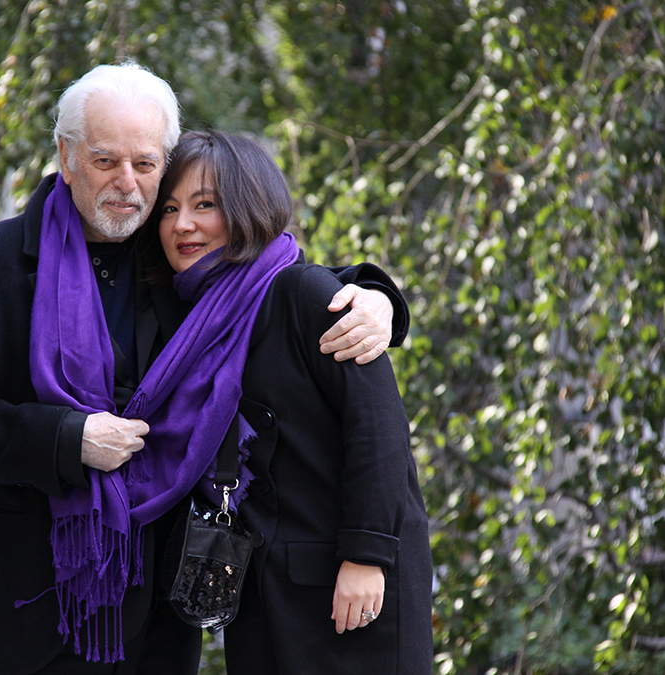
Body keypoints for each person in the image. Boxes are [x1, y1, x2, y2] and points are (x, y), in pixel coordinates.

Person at [0, 62, 403, 675]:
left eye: (145, 164)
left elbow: (277, 274)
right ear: (66, 158)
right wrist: (69, 439)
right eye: (104, 161)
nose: (127, 183)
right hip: (27, 609)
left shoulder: (177, 251)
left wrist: (379, 298)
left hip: (157, 621)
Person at [143, 130, 434, 674]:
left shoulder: (305, 296)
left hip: (350, 588)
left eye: (205, 205)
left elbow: (379, 430)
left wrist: (366, 556)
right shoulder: (187, 323)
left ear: (248, 206)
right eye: (170, 208)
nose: (182, 224)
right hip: (257, 590)